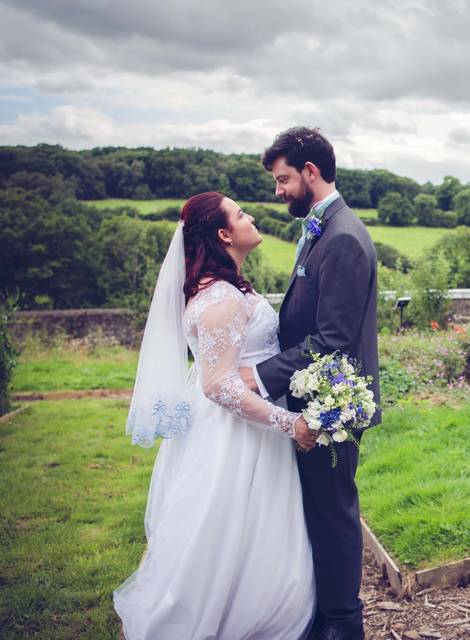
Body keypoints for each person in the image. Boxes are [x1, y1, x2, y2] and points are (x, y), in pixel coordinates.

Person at [114, 191, 319, 639]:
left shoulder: (221, 287)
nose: (250, 216)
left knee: (237, 525)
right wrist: (290, 424)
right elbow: (217, 384)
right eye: (241, 213)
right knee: (227, 524)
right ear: (225, 234)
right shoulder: (222, 297)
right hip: (236, 433)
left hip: (239, 425)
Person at [238, 126, 381, 640]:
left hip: (331, 408)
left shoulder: (341, 237)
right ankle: (321, 615)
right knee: (319, 512)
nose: (278, 192)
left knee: (333, 515)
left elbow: (331, 340)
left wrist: (255, 375)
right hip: (314, 401)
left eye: (283, 180)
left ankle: (342, 626)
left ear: (311, 173)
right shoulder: (322, 228)